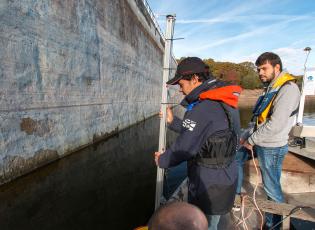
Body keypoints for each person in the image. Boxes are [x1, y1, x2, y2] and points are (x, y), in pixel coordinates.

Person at [154, 57, 242, 230]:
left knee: (206, 225)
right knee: (212, 224)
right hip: (224, 180)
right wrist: (173, 122)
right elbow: (203, 135)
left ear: (194, 79)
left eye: (181, 84)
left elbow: (184, 148)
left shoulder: (203, 108)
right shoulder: (223, 101)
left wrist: (163, 160)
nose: (180, 90)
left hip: (209, 187)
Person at [235, 52, 300, 229]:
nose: (260, 73)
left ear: (276, 67)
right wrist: (245, 135)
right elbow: (257, 119)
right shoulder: (271, 87)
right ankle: (237, 195)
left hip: (272, 146)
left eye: (264, 68)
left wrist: (252, 140)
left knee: (271, 189)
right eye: (258, 70)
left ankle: (276, 225)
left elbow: (276, 124)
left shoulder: (288, 89)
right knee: (235, 158)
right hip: (260, 141)